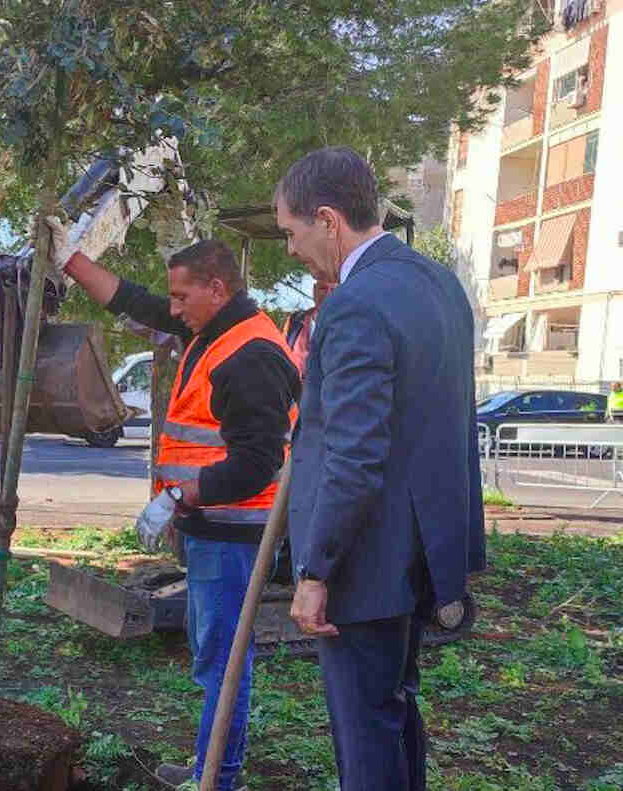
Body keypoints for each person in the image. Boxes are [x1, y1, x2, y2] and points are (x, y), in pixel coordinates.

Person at [47, 221, 299, 791]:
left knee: (223, 659)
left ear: (216, 288)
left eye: (182, 296)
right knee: (212, 652)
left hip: (235, 534)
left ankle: (218, 777)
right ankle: (210, 766)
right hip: (209, 526)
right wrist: (71, 261)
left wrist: (182, 494)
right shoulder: (212, 328)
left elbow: (258, 463)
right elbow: (134, 301)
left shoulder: (250, 354)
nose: (174, 308)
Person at [275, 146, 484, 791]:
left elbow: (354, 456)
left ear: (328, 220)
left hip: (365, 560)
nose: (290, 249)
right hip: (422, 548)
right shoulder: (439, 285)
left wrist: (316, 570)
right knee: (394, 709)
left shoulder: (355, 305)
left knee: (366, 729)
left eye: (291, 232)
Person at [281, 279, 335, 379]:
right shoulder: (295, 320)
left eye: (333, 290)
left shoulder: (350, 324)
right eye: (323, 288)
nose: (327, 294)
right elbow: (283, 356)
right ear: (314, 291)